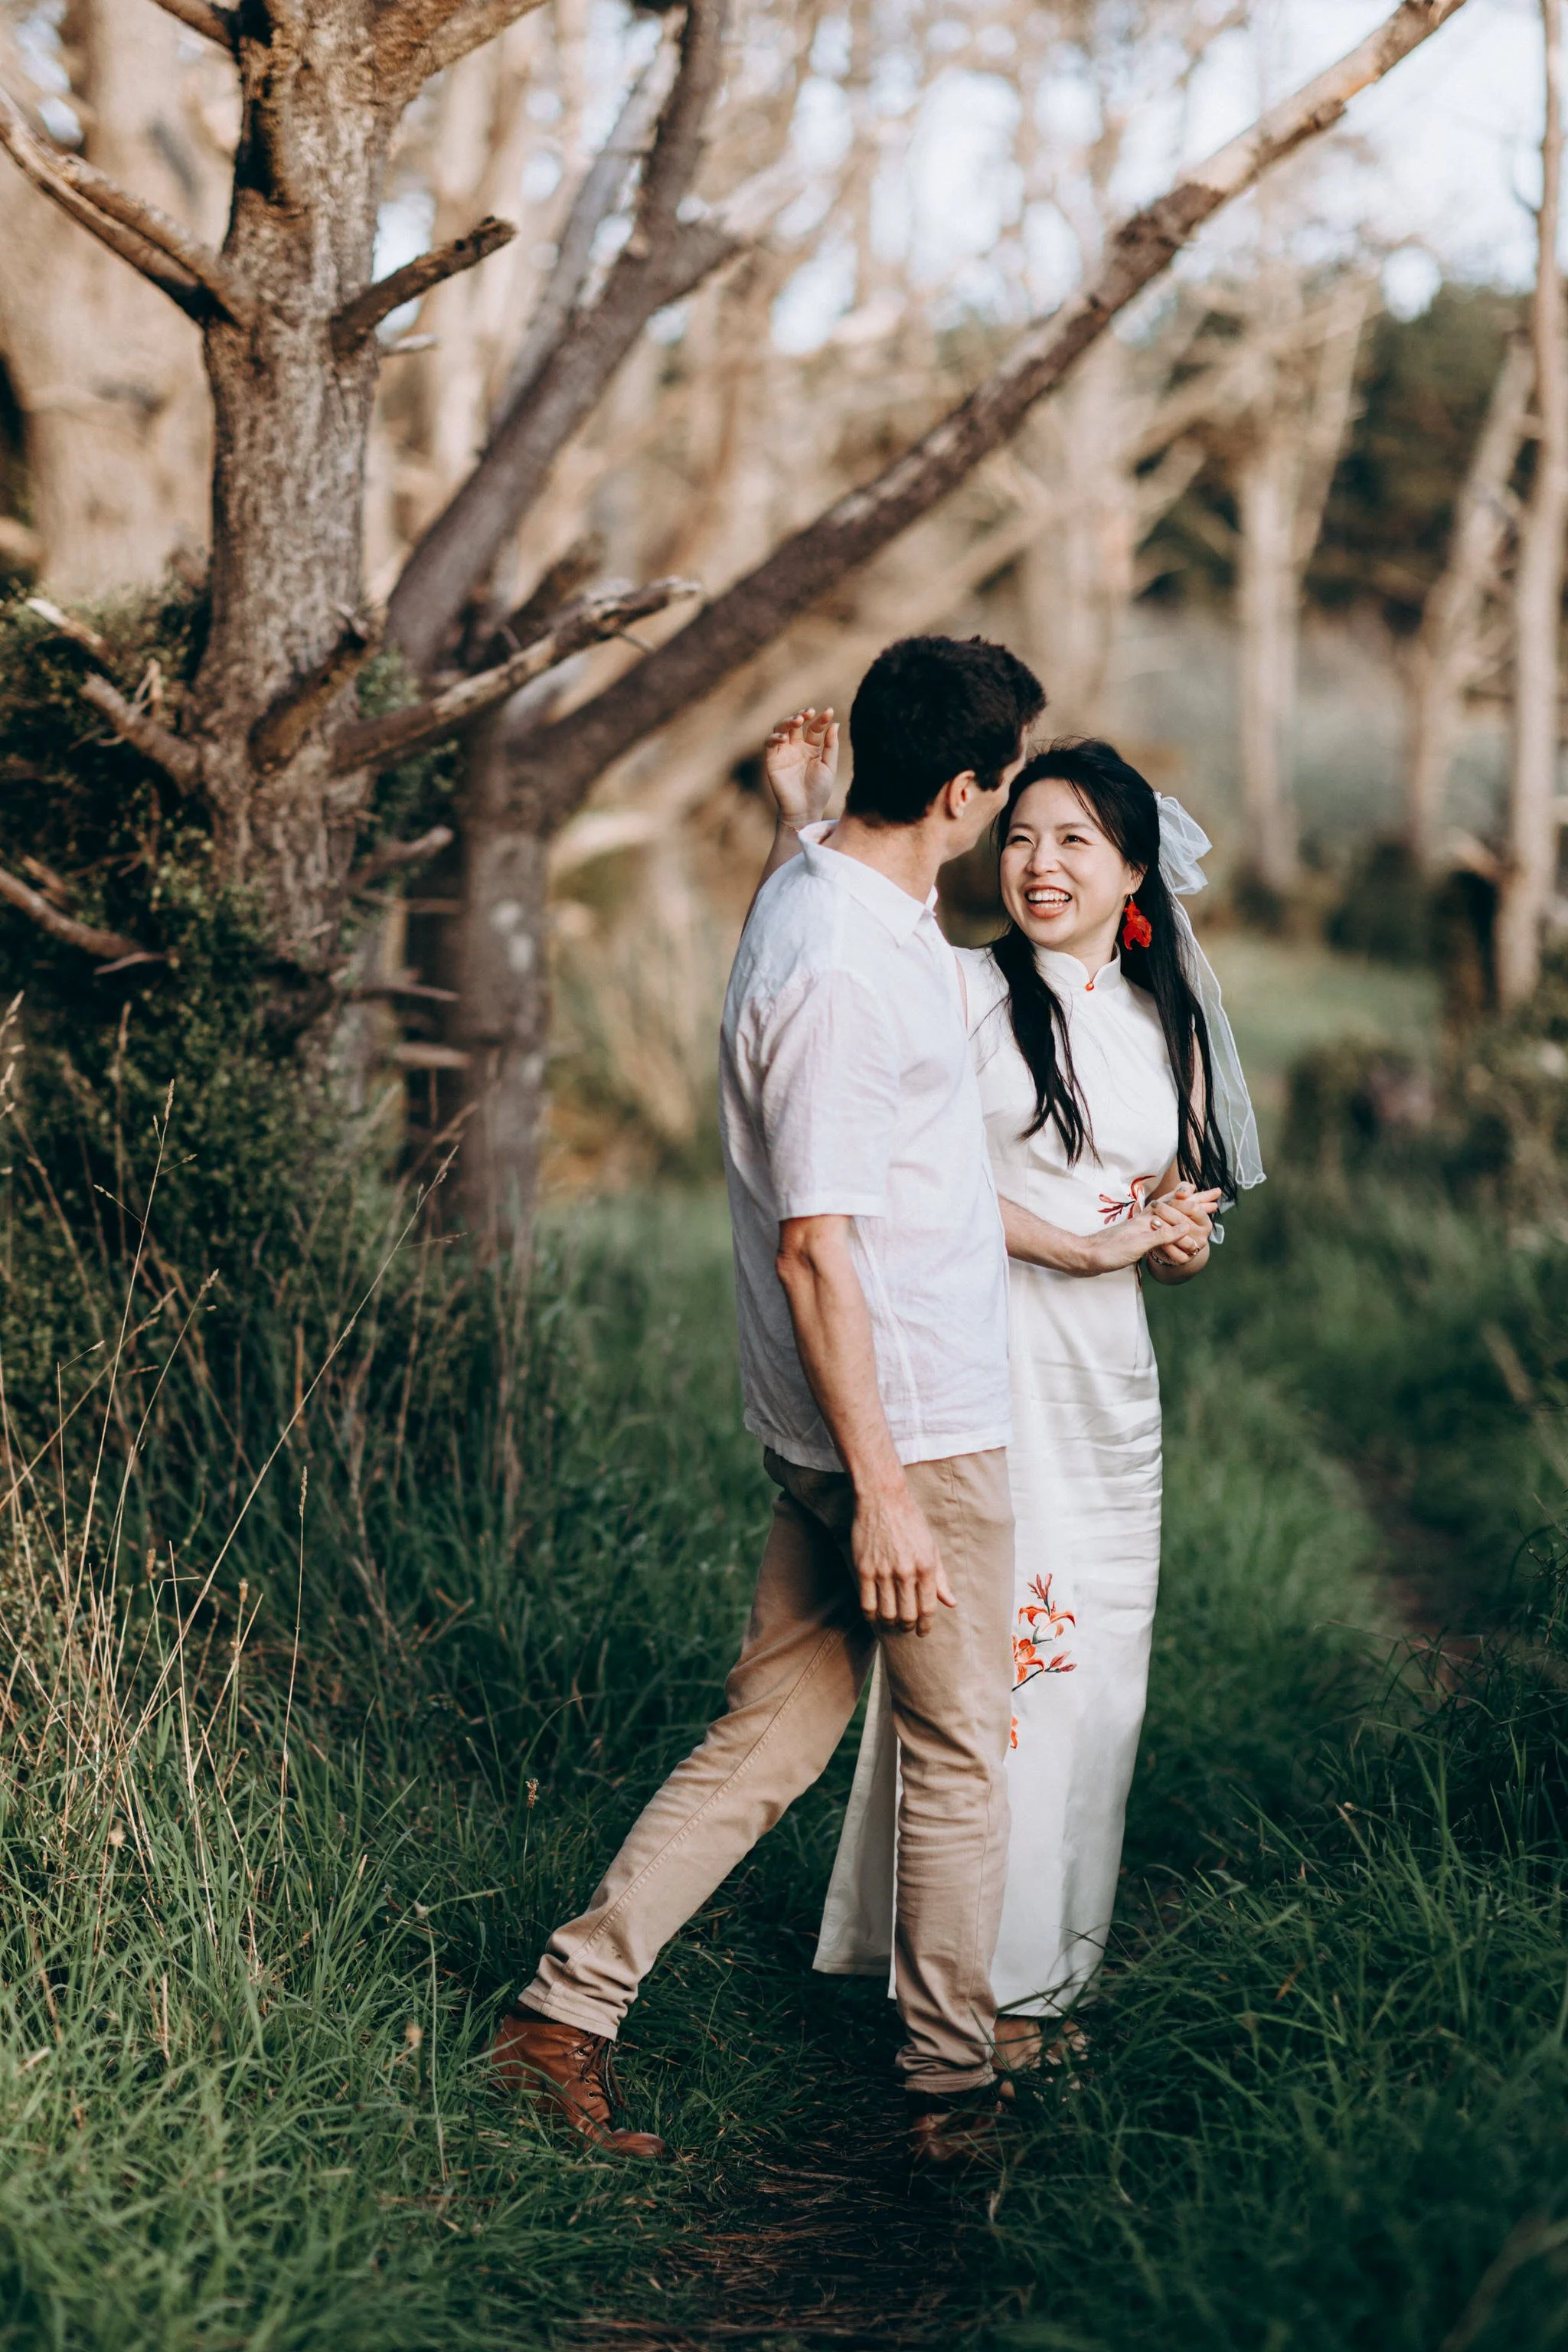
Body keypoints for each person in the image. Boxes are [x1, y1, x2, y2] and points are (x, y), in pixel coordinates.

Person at [490, 634, 1046, 2163]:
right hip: (905, 1438)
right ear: (959, 790)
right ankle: (951, 2090)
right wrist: (883, 1491)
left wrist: (803, 807)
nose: (1005, 818)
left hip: (855, 1431)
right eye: (1001, 792)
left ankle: (560, 2013)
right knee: (951, 1750)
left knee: (777, 1730)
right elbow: (814, 1253)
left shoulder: (824, 891)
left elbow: (835, 887)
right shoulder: (838, 970)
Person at [779, 734, 1263, 2065]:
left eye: (1074, 844)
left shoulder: (1161, 1019)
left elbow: (1171, 1209)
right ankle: (966, 1988)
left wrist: (1172, 1239)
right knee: (1008, 1674)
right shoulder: (962, 988)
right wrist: (1074, 1244)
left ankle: (1049, 1977)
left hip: (1111, 1379)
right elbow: (893, 1174)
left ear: (1132, 875)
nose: (1038, 866)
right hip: (985, 1361)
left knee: (1097, 1673)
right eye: (1022, 837)